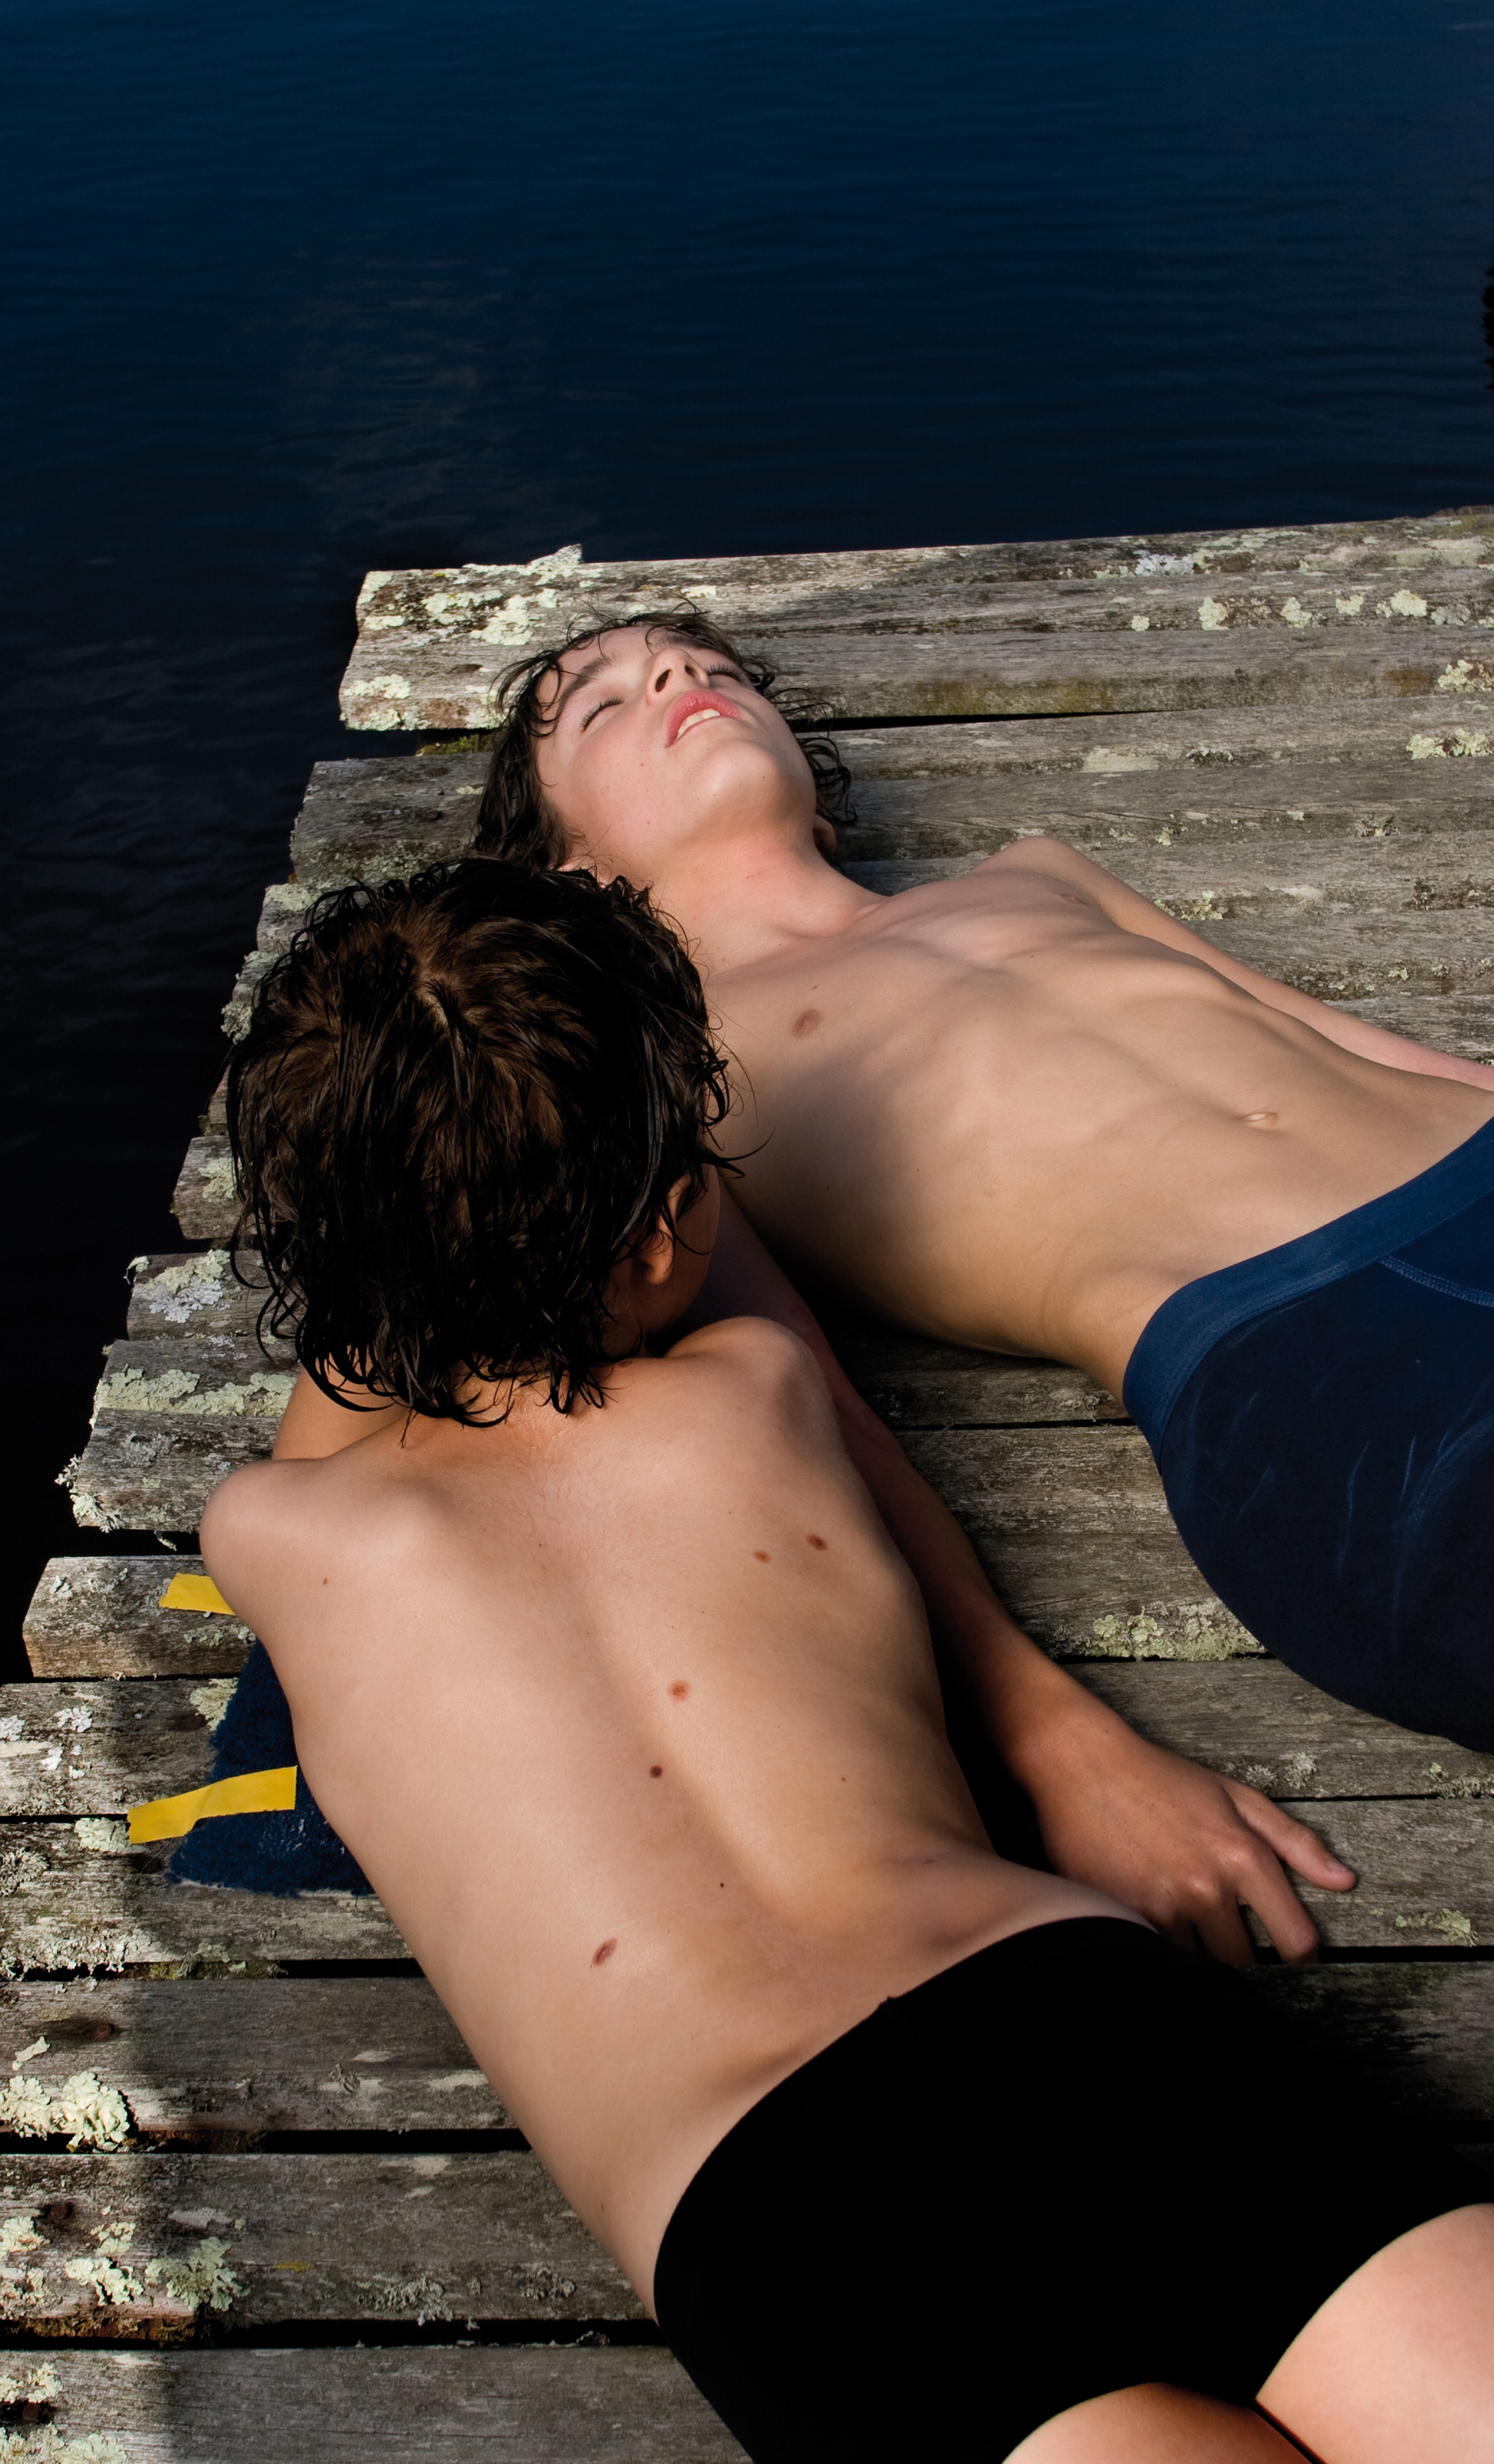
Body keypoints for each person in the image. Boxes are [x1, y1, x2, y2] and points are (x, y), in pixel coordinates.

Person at [201, 860, 1493, 2464]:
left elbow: (355, 1360)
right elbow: (686, 1264)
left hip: (770, 2205)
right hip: (1074, 2018)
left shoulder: (271, 1530)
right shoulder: (756, 1389)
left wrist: (426, 1204)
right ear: (664, 1228)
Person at [472, 614, 1494, 1765]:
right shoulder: (664, 1076)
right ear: (572, 875)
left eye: (710, 669)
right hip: (1304, 1354)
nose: (678, 673)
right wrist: (1046, 1730)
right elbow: (810, 1408)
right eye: (607, 702)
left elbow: (1356, 1046)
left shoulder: (1034, 873)